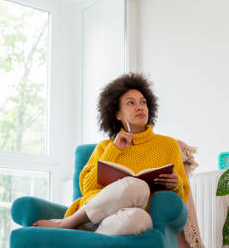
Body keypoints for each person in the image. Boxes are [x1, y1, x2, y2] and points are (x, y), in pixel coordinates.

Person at [33, 73, 190, 236]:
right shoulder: (106, 146)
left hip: (125, 219)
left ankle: (92, 242)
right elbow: (88, 189)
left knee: (142, 220)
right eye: (131, 103)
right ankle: (68, 223)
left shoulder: (167, 145)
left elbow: (182, 195)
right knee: (137, 186)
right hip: (91, 218)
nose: (140, 107)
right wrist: (114, 149)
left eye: (143, 102)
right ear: (118, 114)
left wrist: (175, 183)